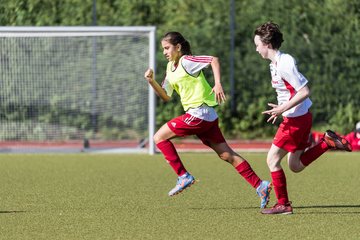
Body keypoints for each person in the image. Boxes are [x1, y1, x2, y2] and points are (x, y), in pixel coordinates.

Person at [144, 31, 271, 208]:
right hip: (205, 117)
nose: (164, 52)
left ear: (178, 47)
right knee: (227, 155)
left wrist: (218, 83)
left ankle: (183, 176)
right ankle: (260, 185)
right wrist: (151, 81)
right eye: (163, 49)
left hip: (198, 114)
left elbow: (213, 60)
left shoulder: (186, 61)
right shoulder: (169, 68)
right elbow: (166, 96)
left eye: (167, 48)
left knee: (159, 137)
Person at [253, 22, 352, 214]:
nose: (256, 48)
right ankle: (327, 143)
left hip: (295, 120)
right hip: (299, 117)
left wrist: (283, 108)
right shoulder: (274, 65)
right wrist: (282, 106)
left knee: (272, 159)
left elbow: (304, 91)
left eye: (257, 44)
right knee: (295, 165)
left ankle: (283, 204)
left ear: (266, 43)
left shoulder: (284, 62)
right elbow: (290, 91)